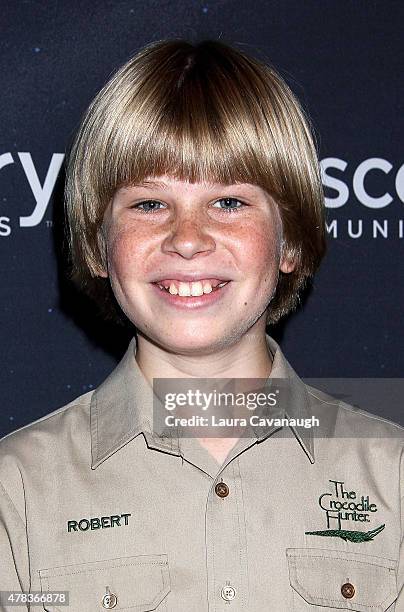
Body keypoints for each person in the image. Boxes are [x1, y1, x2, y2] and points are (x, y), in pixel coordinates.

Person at [0, 38, 403, 612]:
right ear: (97, 245)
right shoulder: (15, 492)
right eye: (148, 204)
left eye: (230, 202)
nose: (187, 239)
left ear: (290, 240)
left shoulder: (394, 477)